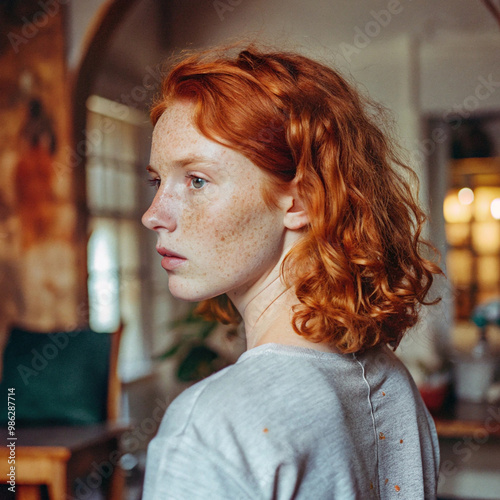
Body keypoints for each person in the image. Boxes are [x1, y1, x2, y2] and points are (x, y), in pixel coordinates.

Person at [141, 45, 442, 499]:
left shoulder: (209, 428)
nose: (153, 214)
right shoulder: (390, 383)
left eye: (196, 180)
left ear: (300, 200)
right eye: (157, 181)